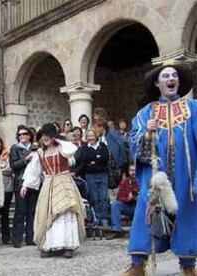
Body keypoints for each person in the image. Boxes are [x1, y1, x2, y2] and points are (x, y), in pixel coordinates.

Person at [124, 62, 197, 276]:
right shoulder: (145, 113)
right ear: (157, 83)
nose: (171, 78)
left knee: (188, 216)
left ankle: (188, 266)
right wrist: (147, 134)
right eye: (166, 76)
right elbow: (134, 142)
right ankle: (138, 265)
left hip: (186, 175)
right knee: (146, 215)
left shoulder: (193, 109)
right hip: (156, 178)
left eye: (174, 75)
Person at [21, 123, 85, 258]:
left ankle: (68, 246)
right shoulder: (40, 152)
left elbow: (72, 149)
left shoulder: (62, 148)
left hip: (64, 181)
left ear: (53, 136)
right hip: (49, 183)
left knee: (65, 211)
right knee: (48, 213)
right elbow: (33, 170)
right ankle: (49, 245)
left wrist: (58, 140)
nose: (45, 138)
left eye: (48, 135)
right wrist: (26, 185)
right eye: (43, 136)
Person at [10, 125, 37, 248]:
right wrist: (26, 159)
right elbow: (13, 165)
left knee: (31, 212)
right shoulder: (15, 148)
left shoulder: (35, 148)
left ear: (29, 135)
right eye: (20, 134)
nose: (22, 136)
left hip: (34, 183)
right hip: (20, 183)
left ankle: (30, 238)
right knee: (20, 212)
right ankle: (17, 239)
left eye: (24, 134)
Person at [75, 129, 110, 227]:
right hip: (90, 175)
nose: (91, 138)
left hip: (103, 175)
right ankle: (96, 218)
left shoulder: (102, 146)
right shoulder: (85, 148)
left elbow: (105, 157)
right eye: (89, 136)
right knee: (94, 198)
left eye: (92, 135)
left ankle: (103, 218)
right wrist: (96, 159)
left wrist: (94, 161)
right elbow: (84, 159)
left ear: (96, 136)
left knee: (103, 197)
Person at [107, 164, 138, 240]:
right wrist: (128, 197)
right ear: (128, 171)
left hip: (140, 207)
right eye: (131, 170)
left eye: (135, 170)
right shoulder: (125, 182)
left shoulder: (142, 181)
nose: (133, 172)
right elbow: (119, 197)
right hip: (129, 206)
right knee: (115, 205)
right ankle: (116, 230)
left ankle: (137, 231)